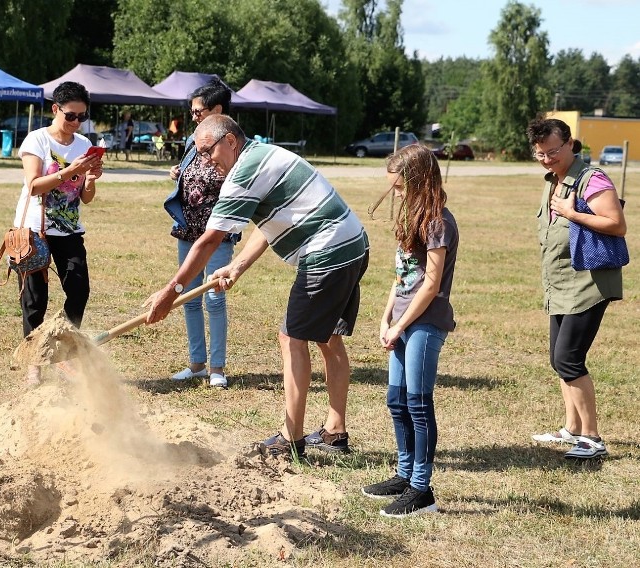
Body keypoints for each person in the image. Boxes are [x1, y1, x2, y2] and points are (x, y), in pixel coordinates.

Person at [146, 114, 370, 459]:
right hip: (352, 244)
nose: (204, 162)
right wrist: (237, 265)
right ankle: (334, 431)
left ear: (230, 141)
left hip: (327, 253)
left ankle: (290, 438)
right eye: (199, 154)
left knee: (292, 338)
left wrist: (171, 291)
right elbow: (269, 223)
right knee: (328, 338)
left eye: (207, 152)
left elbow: (209, 240)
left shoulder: (243, 173)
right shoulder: (263, 155)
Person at [360, 145, 458, 518]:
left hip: (425, 324)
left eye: (400, 187)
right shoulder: (414, 219)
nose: (396, 194)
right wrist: (386, 319)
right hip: (401, 324)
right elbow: (401, 278)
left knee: (418, 404)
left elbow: (430, 285)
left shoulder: (439, 223)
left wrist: (402, 324)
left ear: (419, 182)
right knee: (396, 401)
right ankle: (403, 475)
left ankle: (422, 489)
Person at [526, 117, 625, 459]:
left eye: (552, 151)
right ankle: (572, 429)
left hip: (588, 283)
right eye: (540, 153)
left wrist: (573, 213)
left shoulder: (591, 179)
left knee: (569, 359)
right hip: (561, 284)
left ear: (570, 143)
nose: (547, 159)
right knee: (558, 359)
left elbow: (616, 224)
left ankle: (593, 439)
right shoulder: (553, 178)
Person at [14, 81, 104, 386]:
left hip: (68, 230)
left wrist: (90, 178)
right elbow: (34, 185)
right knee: (34, 300)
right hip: (34, 228)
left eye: (82, 116)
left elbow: (85, 198)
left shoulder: (82, 144)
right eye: (71, 116)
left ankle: (62, 353)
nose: (76, 122)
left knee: (79, 290)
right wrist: (68, 171)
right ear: (56, 110)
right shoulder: (36, 140)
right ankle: (34, 364)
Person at [163, 80, 237, 388]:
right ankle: (196, 364)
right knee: (186, 297)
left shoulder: (231, 146)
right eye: (192, 111)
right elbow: (191, 171)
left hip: (217, 233)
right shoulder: (194, 141)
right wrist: (178, 174)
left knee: (214, 298)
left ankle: (216, 368)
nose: (193, 116)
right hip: (188, 230)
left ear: (217, 110)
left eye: (198, 111)